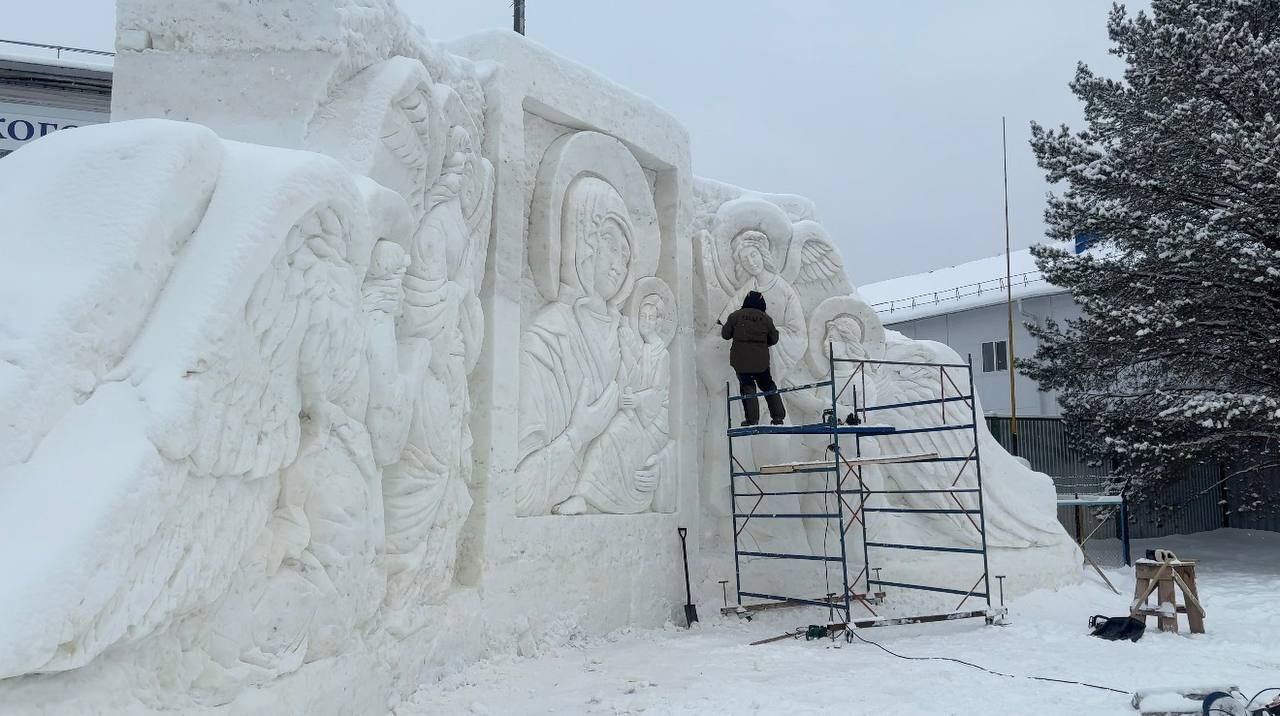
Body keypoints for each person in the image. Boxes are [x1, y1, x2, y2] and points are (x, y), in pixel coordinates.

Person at [720, 290, 786, 425]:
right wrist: (762, 343)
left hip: (741, 360)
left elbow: (725, 334)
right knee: (768, 386)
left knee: (748, 387)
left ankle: (752, 419)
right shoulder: (766, 319)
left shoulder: (735, 316)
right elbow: (774, 339)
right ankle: (778, 416)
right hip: (761, 362)